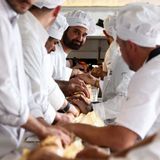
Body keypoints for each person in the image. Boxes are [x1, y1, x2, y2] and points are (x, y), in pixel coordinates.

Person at [60, 2, 160, 152]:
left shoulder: (150, 74)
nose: (121, 54)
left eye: (120, 46)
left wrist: (70, 127)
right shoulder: (153, 67)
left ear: (131, 46)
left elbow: (121, 139)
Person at [0, 0, 71, 158]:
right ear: (56, 10)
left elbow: (25, 88)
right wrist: (42, 128)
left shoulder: (14, 22)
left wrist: (50, 122)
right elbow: (3, 91)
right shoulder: (22, 31)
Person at [76, 15, 134, 120]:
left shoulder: (122, 57)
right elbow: (115, 86)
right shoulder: (120, 54)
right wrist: (95, 82)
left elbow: (124, 99)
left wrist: (91, 108)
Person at [51, 10, 96, 81]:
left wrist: (72, 65)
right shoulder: (53, 49)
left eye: (84, 35)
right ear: (64, 30)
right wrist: (75, 72)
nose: (80, 38)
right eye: (76, 32)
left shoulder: (61, 52)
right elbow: (52, 75)